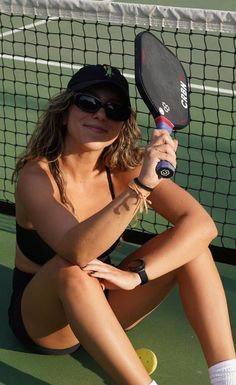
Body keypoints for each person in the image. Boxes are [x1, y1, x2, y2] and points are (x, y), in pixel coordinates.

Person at [8, 64, 235, 385]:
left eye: (114, 110)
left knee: (191, 247)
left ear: (121, 125)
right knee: (70, 269)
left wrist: (135, 276)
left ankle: (227, 377)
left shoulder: (124, 169)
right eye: (88, 103)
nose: (100, 115)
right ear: (63, 112)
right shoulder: (37, 177)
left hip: (103, 304)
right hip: (46, 321)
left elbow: (202, 226)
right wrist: (142, 186)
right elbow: (77, 250)